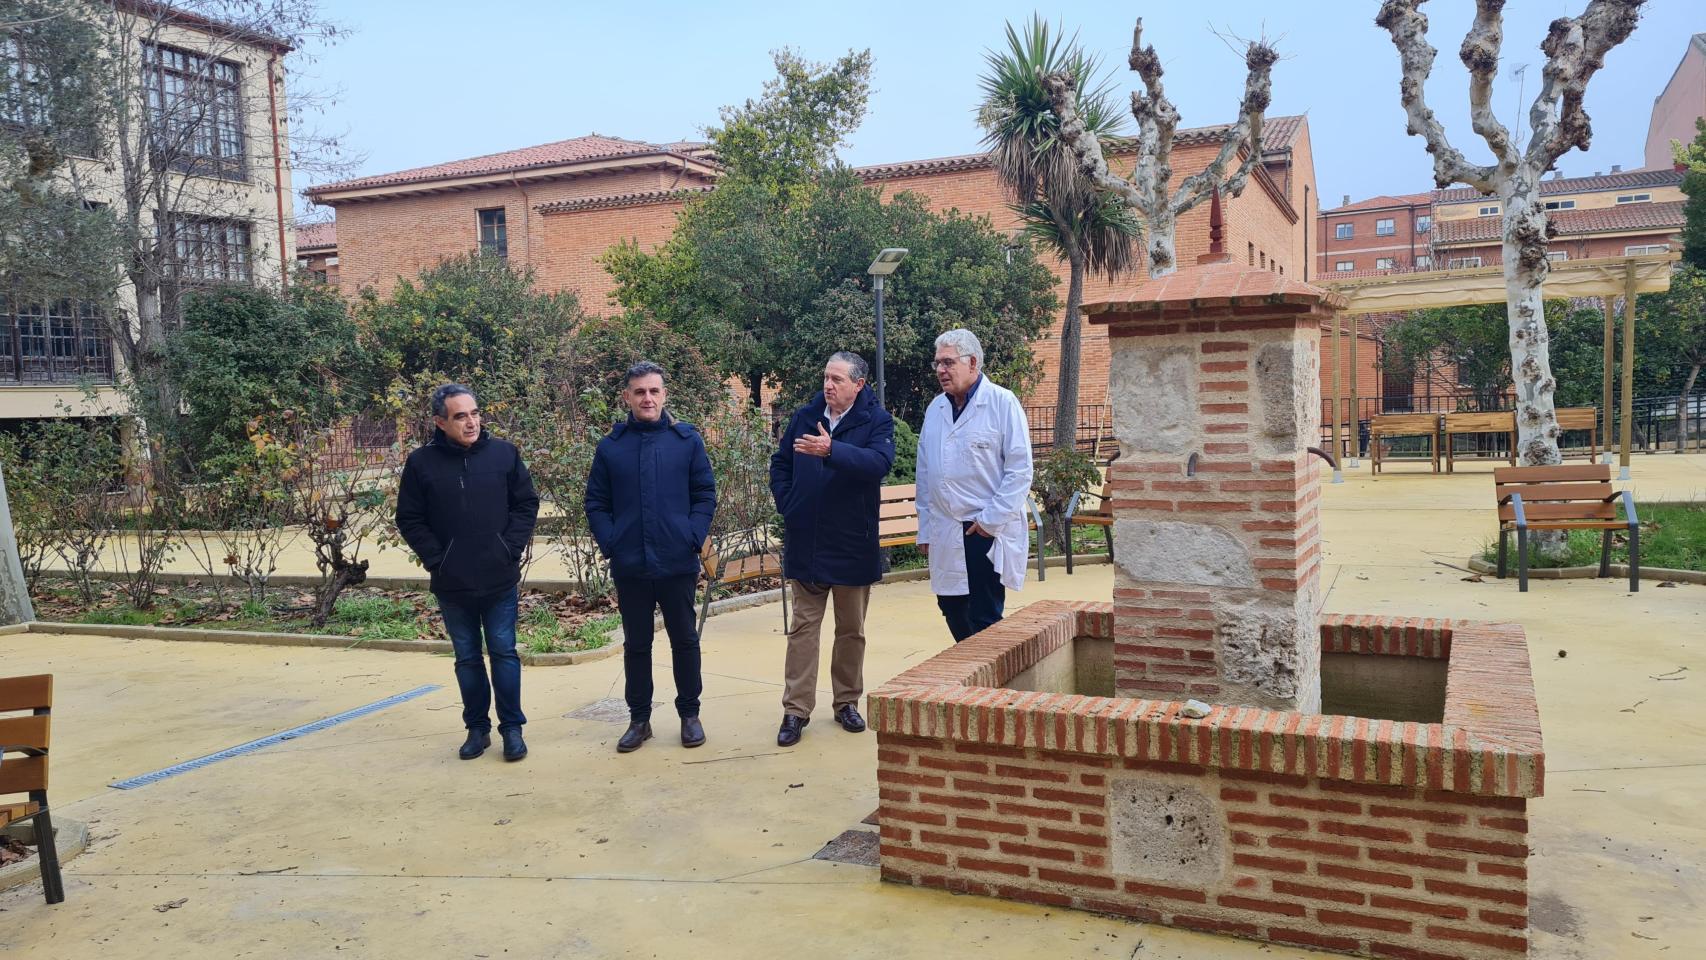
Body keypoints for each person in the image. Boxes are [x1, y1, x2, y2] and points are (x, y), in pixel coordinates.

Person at [396, 383, 540, 761]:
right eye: (460, 416)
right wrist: (438, 560)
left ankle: (512, 729)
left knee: (504, 653)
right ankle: (477, 729)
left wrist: (509, 549)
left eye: (475, 413)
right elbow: (409, 518)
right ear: (440, 422)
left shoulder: (504, 454)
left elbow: (526, 504)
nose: (471, 422)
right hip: (453, 582)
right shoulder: (421, 463)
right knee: (467, 658)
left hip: (499, 578)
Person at [586, 361, 717, 753]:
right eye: (640, 391)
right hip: (631, 564)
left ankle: (690, 715)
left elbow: (705, 494)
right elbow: (596, 502)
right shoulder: (612, 447)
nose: (647, 398)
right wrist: (612, 542)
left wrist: (692, 536)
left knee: (685, 641)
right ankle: (639, 720)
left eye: (654, 391)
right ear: (627, 396)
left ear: (664, 395)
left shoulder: (686, 441)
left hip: (676, 561)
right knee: (637, 645)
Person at [768, 351, 895, 747]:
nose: (828, 385)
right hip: (807, 539)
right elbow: (781, 463)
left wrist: (832, 451)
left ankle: (846, 703)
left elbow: (879, 463)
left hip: (852, 542)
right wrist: (788, 503)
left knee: (851, 630)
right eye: (826, 377)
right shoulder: (805, 417)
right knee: (803, 629)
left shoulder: (876, 420)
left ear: (858, 384)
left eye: (837, 379)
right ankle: (795, 710)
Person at [915, 329, 1034, 642]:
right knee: (951, 606)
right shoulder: (935, 409)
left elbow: (1020, 470)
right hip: (944, 528)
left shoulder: (1002, 403)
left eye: (948, 362)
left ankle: (989, 672)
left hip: (982, 528)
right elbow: (925, 473)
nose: (941, 370)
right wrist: (925, 528)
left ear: (972, 363)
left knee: (984, 615)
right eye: (938, 363)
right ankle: (972, 666)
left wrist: (990, 521)